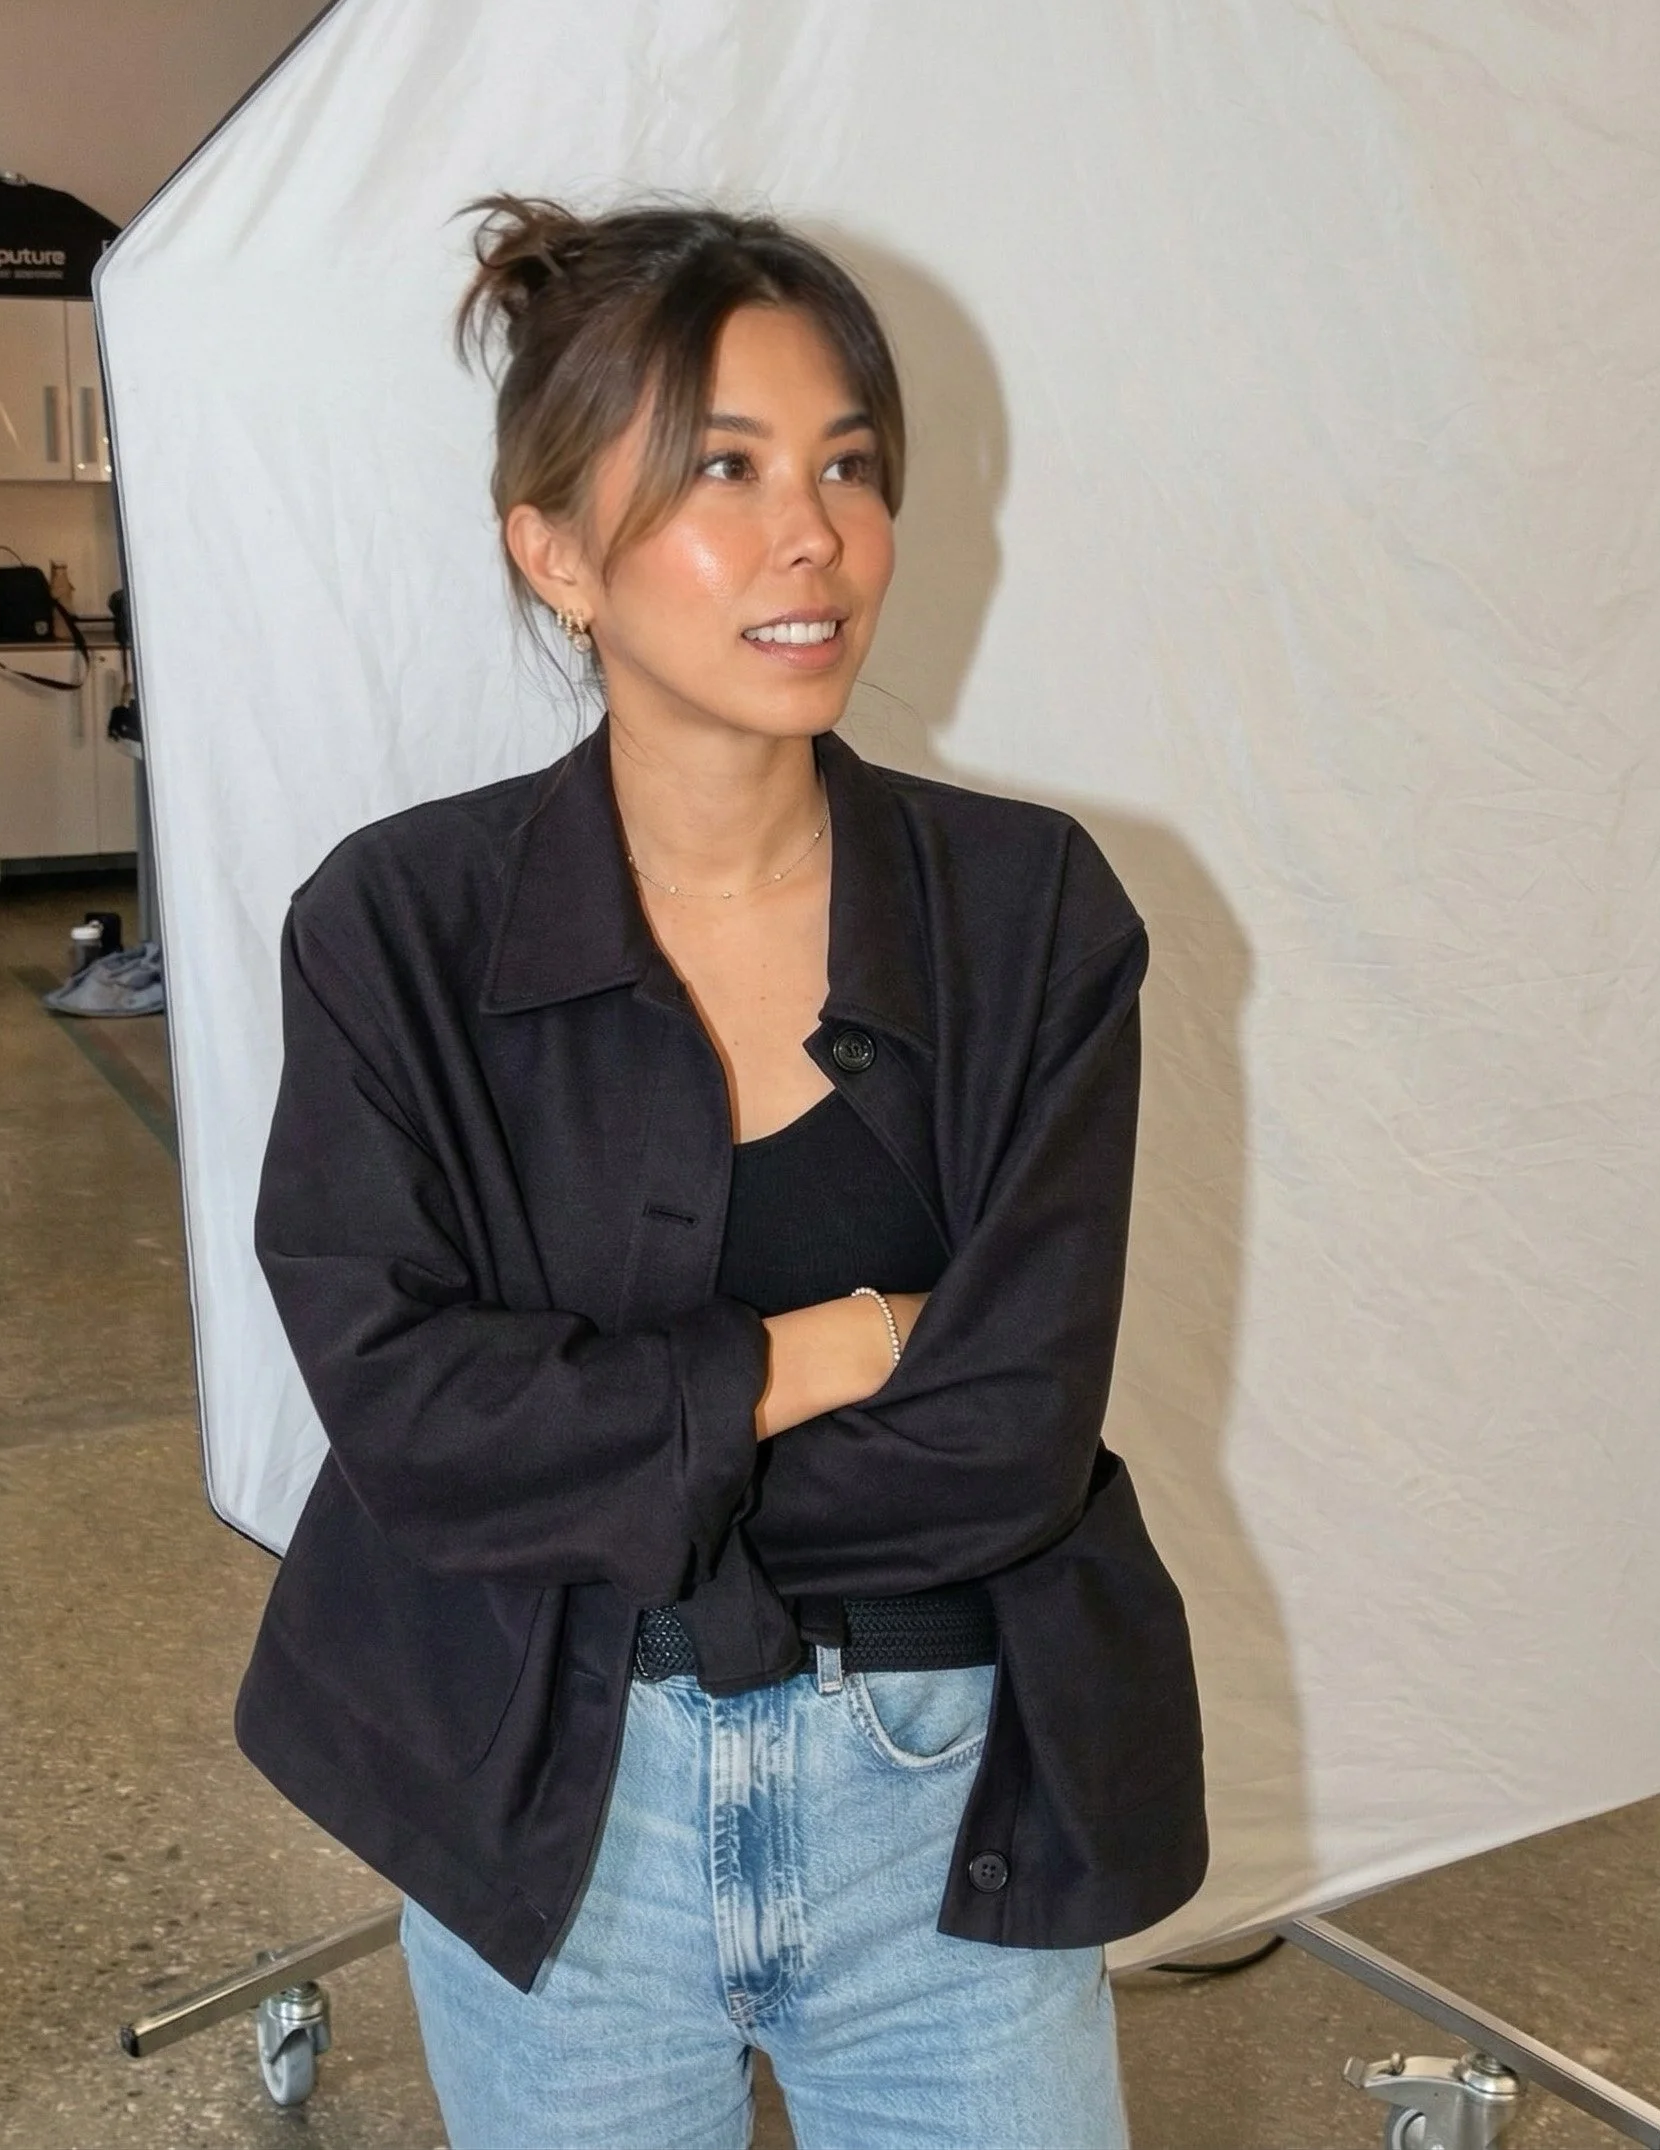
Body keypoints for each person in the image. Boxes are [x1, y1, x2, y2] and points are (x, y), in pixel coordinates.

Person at [241, 197, 1207, 2150]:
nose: (812, 535)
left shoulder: (1027, 913)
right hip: (547, 1813)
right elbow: (414, 1427)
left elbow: (1007, 1437)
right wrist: (829, 1345)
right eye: (723, 470)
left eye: (846, 465)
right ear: (552, 551)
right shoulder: (397, 930)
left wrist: (591, 1441)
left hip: (934, 1797)